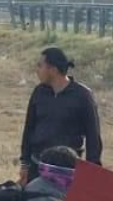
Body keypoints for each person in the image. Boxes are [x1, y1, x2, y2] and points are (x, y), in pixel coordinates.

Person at [19, 47, 102, 182]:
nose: (37, 70)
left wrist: (92, 172)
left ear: (53, 69)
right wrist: (25, 164)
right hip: (37, 167)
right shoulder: (39, 92)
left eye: (40, 65)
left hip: (66, 172)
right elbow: (29, 130)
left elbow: (93, 136)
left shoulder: (82, 96)